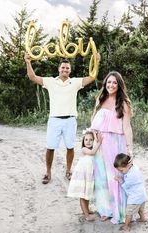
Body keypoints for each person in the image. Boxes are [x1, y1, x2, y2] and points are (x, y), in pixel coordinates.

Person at [24, 53, 100, 184]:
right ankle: (48, 172)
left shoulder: (75, 82)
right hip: (54, 120)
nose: (65, 70)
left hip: (70, 120)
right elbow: (32, 76)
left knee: (70, 147)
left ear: (70, 70)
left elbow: (92, 77)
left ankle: (68, 171)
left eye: (67, 68)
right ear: (59, 69)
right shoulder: (50, 81)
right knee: (50, 147)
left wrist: (97, 61)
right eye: (63, 68)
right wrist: (28, 62)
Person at [90, 71, 133, 224]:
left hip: (116, 143)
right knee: (101, 177)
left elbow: (127, 127)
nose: (111, 85)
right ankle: (105, 209)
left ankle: (119, 210)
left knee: (116, 176)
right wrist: (93, 139)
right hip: (100, 144)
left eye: (114, 82)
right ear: (105, 84)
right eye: (109, 82)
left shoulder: (123, 103)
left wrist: (130, 149)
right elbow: (94, 120)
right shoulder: (101, 99)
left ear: (119, 85)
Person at [67, 130, 103, 221]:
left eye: (91, 140)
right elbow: (92, 152)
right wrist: (99, 142)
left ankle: (87, 210)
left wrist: (96, 139)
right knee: (82, 195)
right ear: (83, 141)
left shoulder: (93, 149)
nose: (88, 141)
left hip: (88, 176)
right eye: (86, 139)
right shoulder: (84, 150)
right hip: (82, 176)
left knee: (87, 194)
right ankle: (86, 215)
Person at [114, 153, 147, 231]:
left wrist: (120, 180)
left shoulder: (131, 175)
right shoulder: (134, 167)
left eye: (121, 170)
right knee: (140, 209)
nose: (121, 172)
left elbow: (126, 185)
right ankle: (142, 219)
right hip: (142, 195)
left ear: (128, 165)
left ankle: (126, 225)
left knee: (129, 212)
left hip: (135, 198)